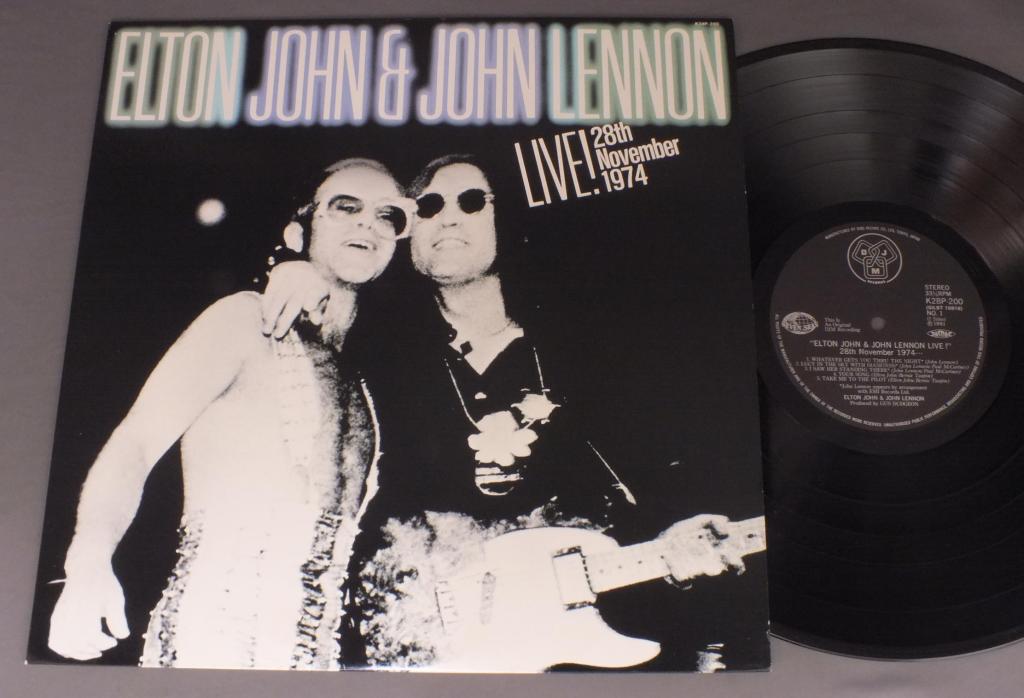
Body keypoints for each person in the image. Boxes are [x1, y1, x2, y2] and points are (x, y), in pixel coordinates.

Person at [262, 155, 758, 671]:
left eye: (471, 202)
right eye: (428, 207)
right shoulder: (376, 345)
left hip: (583, 638)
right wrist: (295, 271)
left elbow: (653, 465)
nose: (448, 218)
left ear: (506, 220)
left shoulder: (585, 343)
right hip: (417, 633)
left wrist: (680, 534)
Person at [48, 158, 412, 670]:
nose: (367, 224)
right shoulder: (244, 321)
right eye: (345, 207)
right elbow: (135, 444)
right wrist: (88, 563)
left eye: (387, 215)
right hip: (209, 648)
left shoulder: (363, 379)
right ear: (298, 231)